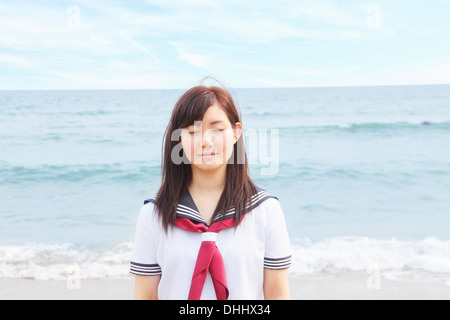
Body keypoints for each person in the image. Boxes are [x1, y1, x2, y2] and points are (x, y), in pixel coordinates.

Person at [130, 83, 291, 300]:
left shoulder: (265, 209)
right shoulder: (153, 214)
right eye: (193, 131)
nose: (206, 141)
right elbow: (145, 297)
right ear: (179, 138)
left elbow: (277, 296)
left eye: (217, 129)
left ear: (236, 133)